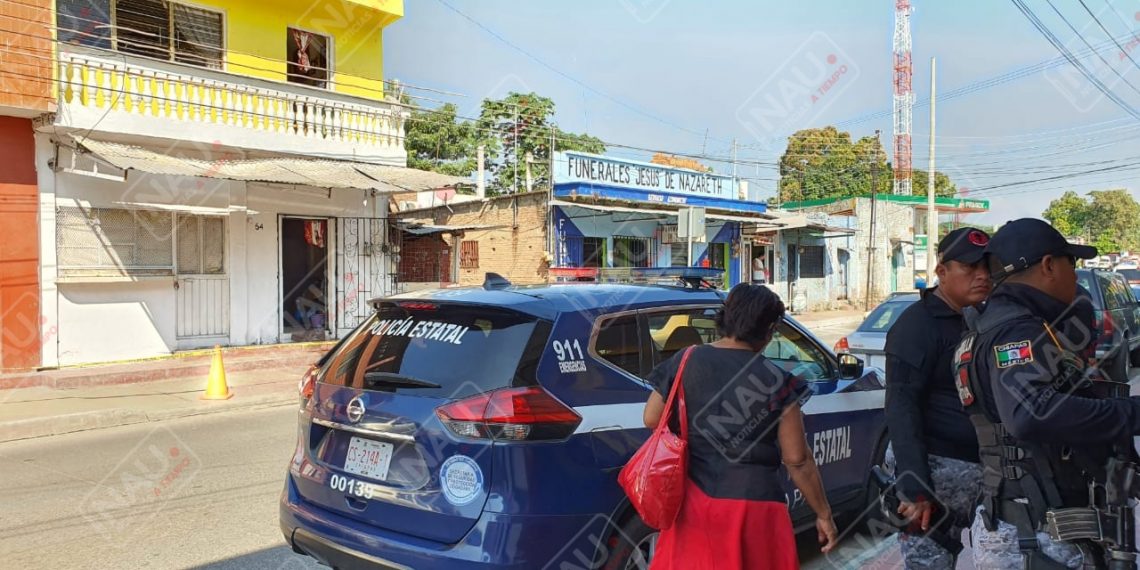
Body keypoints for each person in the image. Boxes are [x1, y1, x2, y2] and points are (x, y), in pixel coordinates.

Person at [954, 218, 1140, 568]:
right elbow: (1027, 413)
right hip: (1034, 538)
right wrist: (1131, 414)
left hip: (1023, 527)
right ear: (1049, 265)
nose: (1076, 275)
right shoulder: (1016, 331)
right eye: (1073, 264)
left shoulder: (992, 325)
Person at [641, 283, 838, 570]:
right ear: (769, 329)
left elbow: (651, 417)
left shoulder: (686, 360)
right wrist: (824, 513)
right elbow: (797, 459)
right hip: (756, 506)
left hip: (694, 501)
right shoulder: (778, 380)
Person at [883, 227, 992, 568]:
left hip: (985, 475)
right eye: (971, 268)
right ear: (942, 272)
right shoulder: (917, 326)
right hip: (936, 476)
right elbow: (901, 409)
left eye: (987, 267)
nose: (982, 275)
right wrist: (915, 487)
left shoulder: (983, 319)